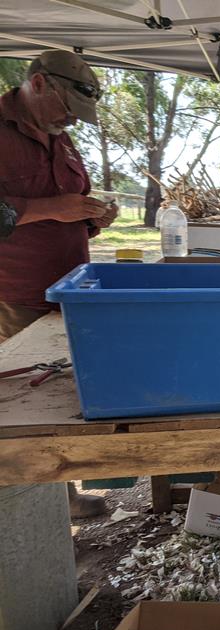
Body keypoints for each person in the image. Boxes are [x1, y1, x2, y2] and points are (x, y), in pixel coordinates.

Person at [0, 50, 116, 518]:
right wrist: (52, 209)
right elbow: (43, 209)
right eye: (68, 108)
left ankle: (63, 496)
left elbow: (70, 204)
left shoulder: (62, 139)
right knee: (27, 402)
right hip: (16, 293)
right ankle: (33, 511)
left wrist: (92, 217)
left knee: (65, 392)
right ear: (40, 84)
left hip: (71, 288)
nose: (71, 120)